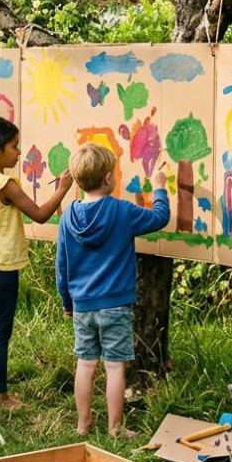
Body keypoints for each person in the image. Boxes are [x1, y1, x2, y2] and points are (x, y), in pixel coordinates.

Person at [56, 143, 169, 437]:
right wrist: (159, 188)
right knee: (115, 367)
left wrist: (68, 301)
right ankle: (115, 428)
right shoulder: (121, 211)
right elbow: (159, 218)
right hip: (116, 306)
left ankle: (83, 424)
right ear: (108, 178)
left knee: (86, 362)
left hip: (82, 305)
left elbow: (62, 266)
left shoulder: (68, 216)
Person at [0, 117, 74, 410]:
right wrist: (63, 189)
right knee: (0, 332)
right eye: (14, 146)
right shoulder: (5, 184)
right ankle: (0, 397)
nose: (19, 152)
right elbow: (38, 214)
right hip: (2, 267)